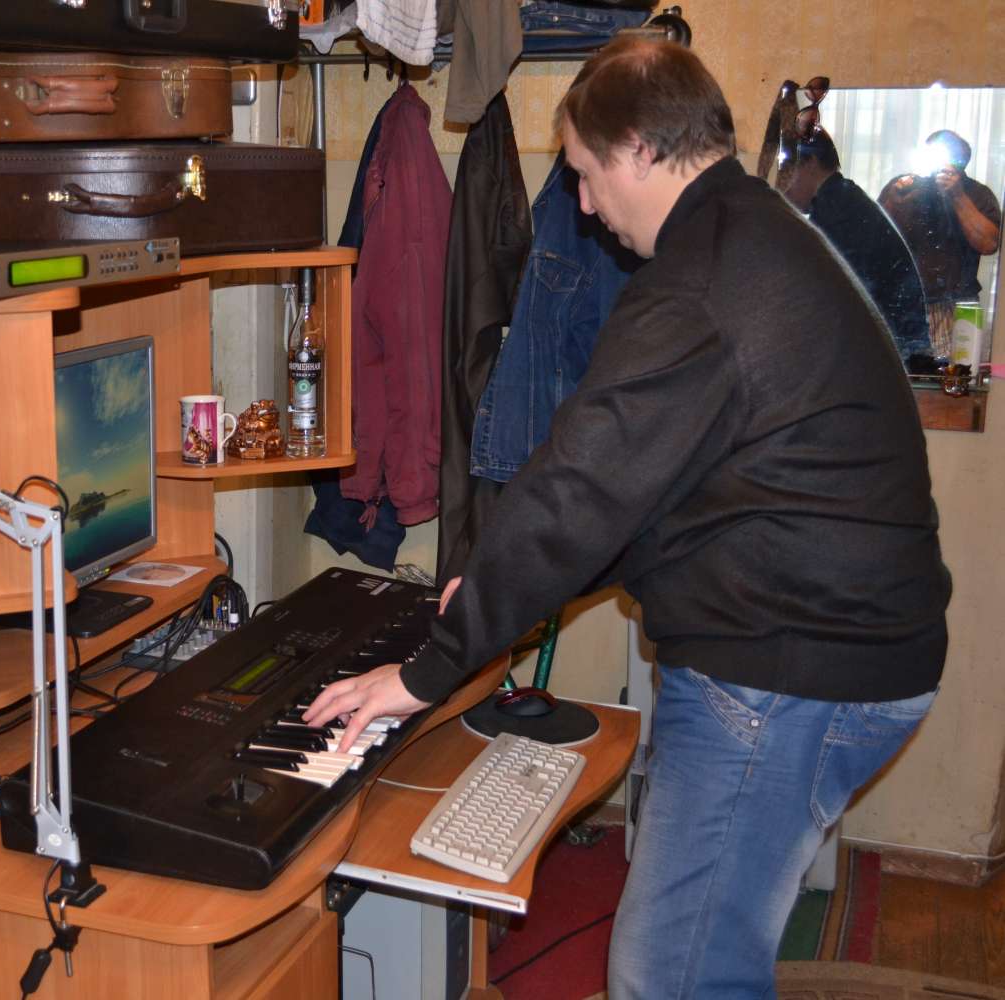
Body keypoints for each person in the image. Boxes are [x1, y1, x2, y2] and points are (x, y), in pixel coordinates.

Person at [305, 37, 949, 999]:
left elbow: (578, 490)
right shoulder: (749, 235)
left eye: (584, 172)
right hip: (839, 649)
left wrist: (427, 672)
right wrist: (495, 597)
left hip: (788, 671)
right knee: (704, 957)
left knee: (671, 978)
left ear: (641, 149)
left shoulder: (700, 284)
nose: (584, 205)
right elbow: (654, 490)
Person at [780, 127, 934, 362]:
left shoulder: (835, 210)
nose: (780, 185)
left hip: (890, 351)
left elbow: (825, 300)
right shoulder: (843, 197)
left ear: (810, 163)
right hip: (896, 345)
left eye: (785, 171)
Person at [879, 129, 1001, 356]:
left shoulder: (977, 194)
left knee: (955, 373)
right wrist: (893, 202)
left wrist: (957, 195)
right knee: (898, 371)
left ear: (962, 161)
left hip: (956, 305)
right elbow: (876, 236)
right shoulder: (907, 187)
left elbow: (988, 244)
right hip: (905, 302)